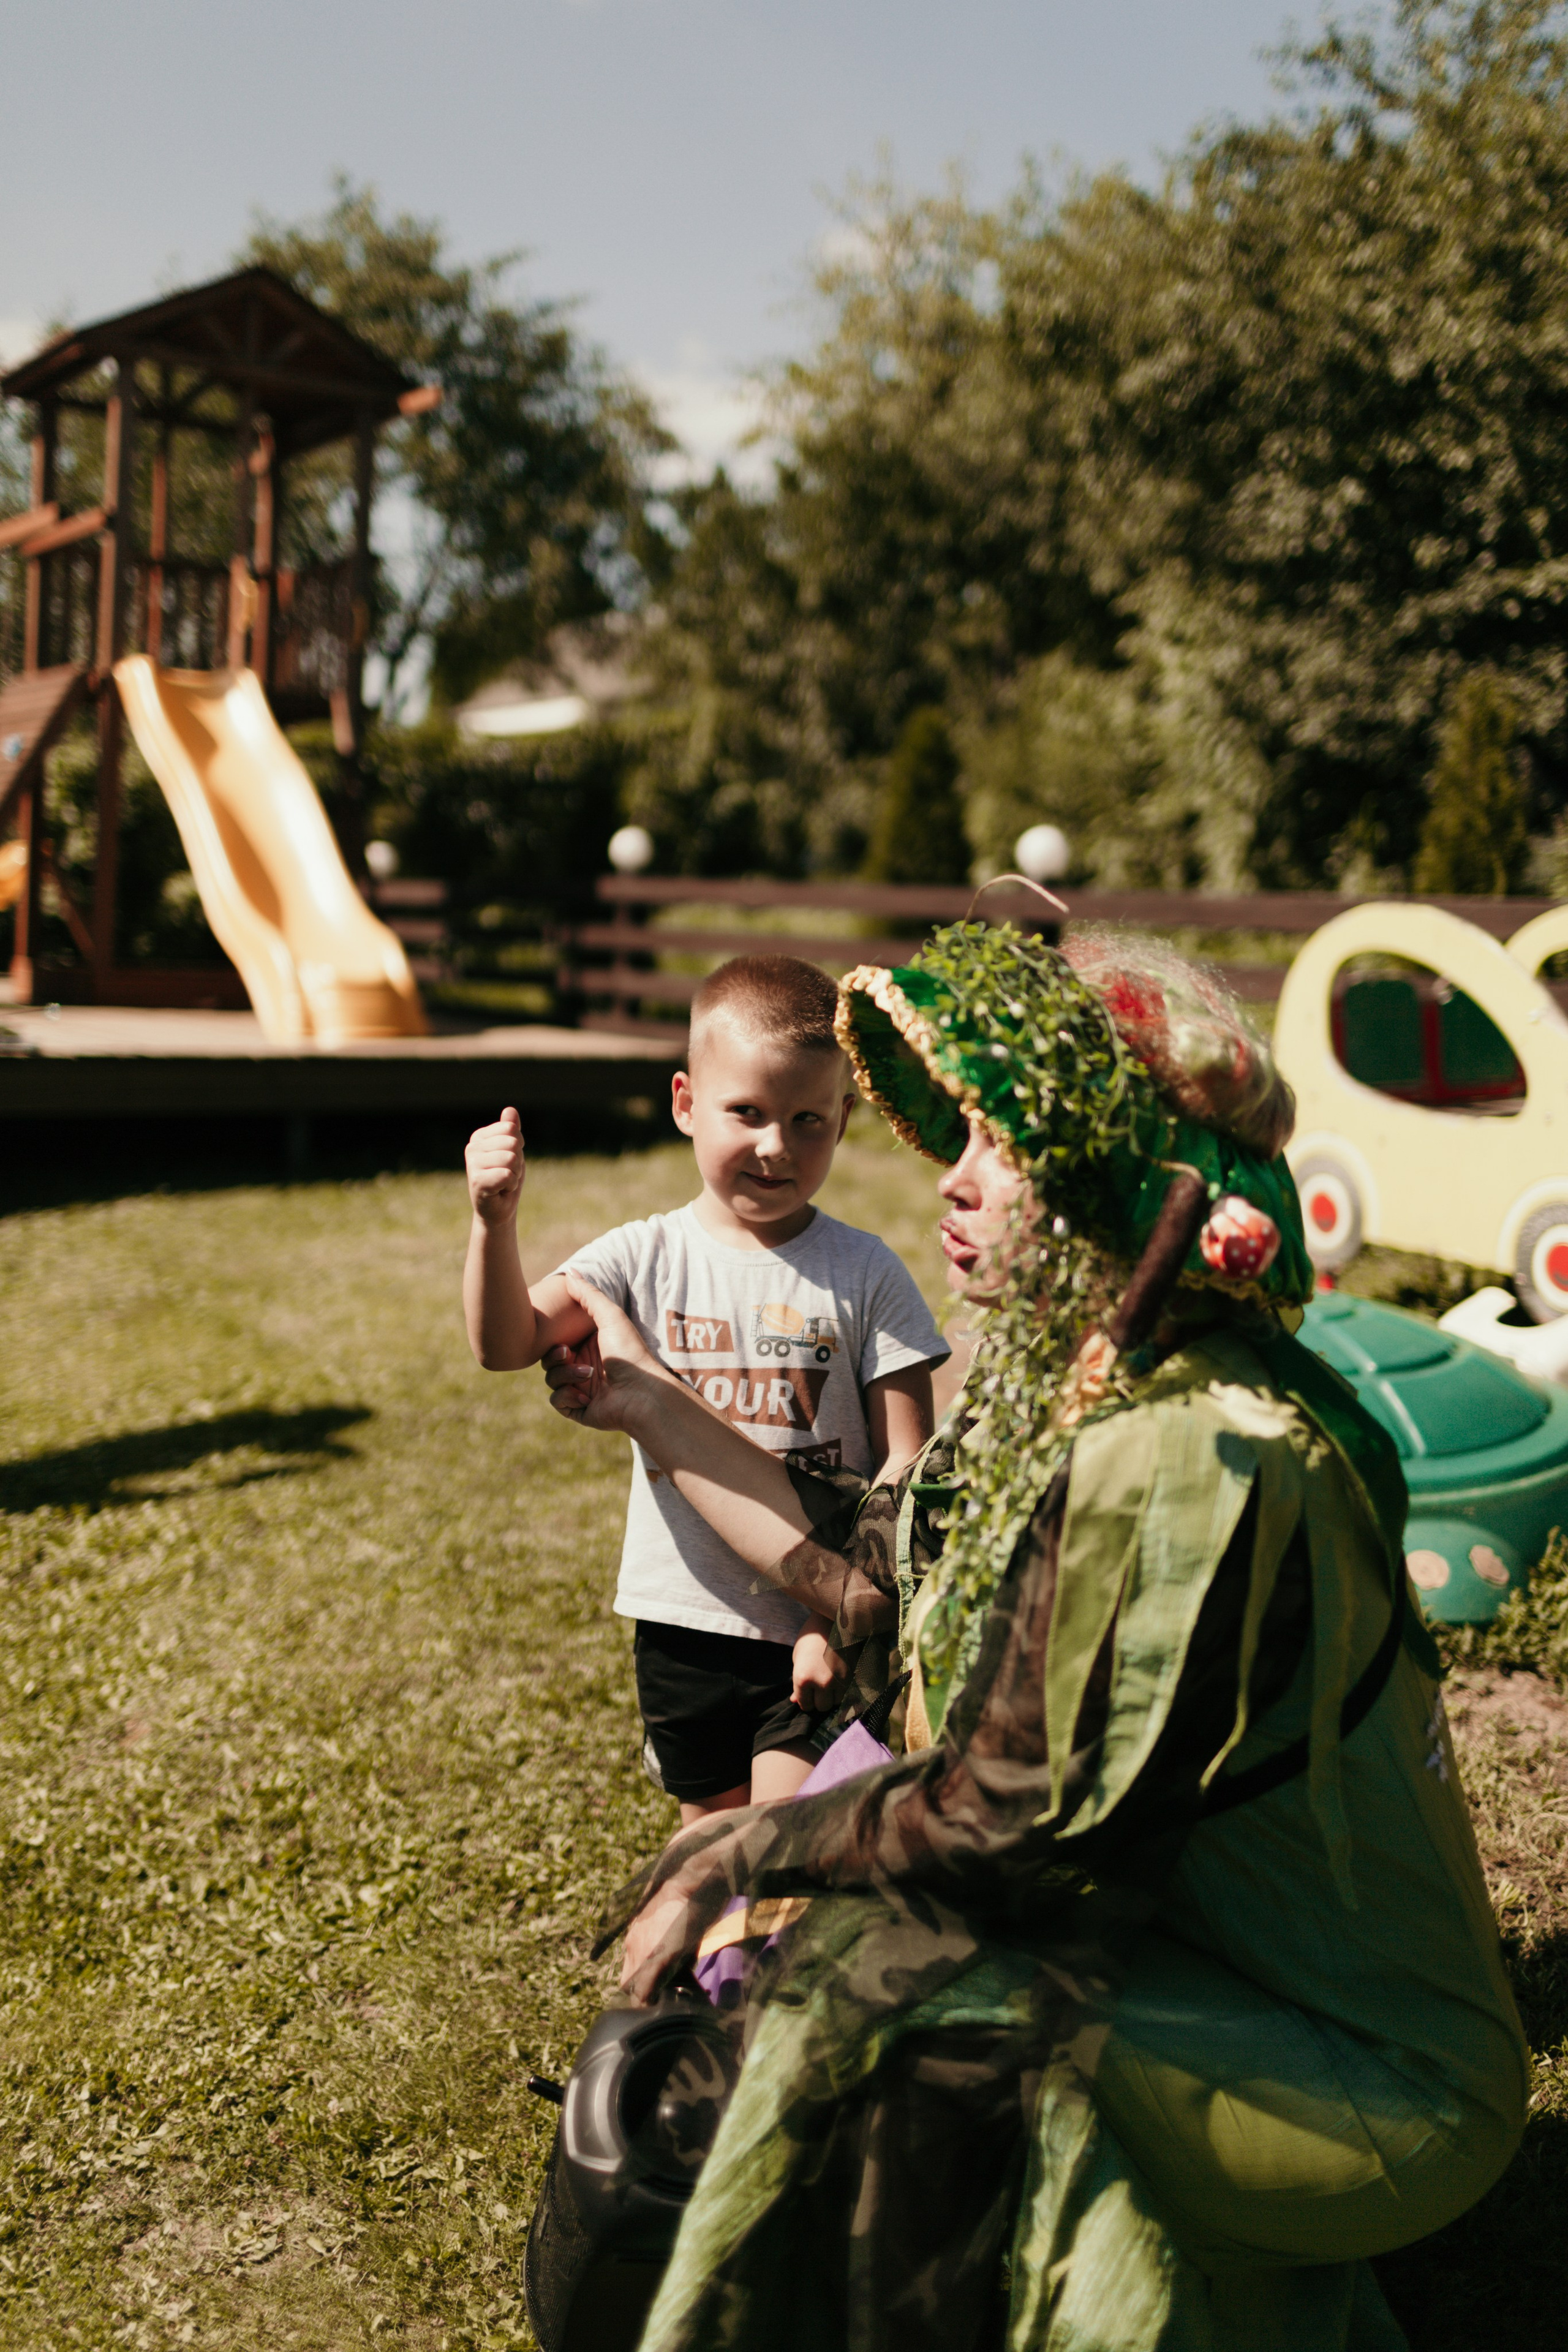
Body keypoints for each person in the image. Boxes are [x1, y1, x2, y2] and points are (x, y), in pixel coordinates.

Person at [541, 922, 1529, 2352]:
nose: (951, 1178)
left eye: (1000, 1147)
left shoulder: (1196, 1447)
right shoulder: (1073, 1383)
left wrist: (743, 1853)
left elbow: (1012, 1809)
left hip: (1370, 2086)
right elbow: (872, 1582)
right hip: (1217, 1990)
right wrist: (644, 1398)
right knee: (856, 1955)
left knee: (894, 2014)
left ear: (1115, 1179)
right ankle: (1246, 2278)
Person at [464, 952, 949, 1825]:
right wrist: (493, 1224)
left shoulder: (868, 1273)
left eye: (807, 1119)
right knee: (711, 1847)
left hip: (817, 1624)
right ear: (686, 1103)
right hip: (684, 1625)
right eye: (747, 1112)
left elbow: (903, 1473)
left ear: (844, 1118)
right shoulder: (643, 1257)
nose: (776, 1145)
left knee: (777, 1853)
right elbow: (508, 1344)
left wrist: (835, 1621)